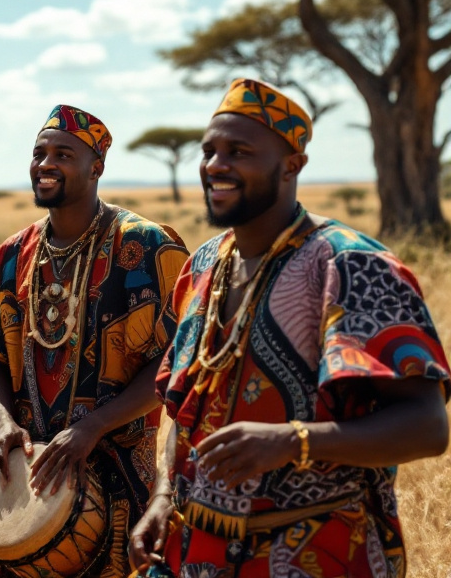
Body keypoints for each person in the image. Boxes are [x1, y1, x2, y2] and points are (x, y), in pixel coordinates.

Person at [129, 79, 451, 576]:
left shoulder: (350, 264)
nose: (216, 165)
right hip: (192, 551)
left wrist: (293, 441)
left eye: (239, 151)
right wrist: (163, 498)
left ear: (292, 166)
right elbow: (186, 409)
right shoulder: (202, 267)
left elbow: (427, 427)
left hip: (312, 553)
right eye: (209, 151)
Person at [0, 106, 189, 577]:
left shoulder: (146, 246)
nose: (45, 163)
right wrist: (2, 425)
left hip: (119, 481)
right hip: (24, 479)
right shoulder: (14, 252)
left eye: (63, 153)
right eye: (39, 153)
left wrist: (93, 427)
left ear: (96, 167)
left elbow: (174, 360)